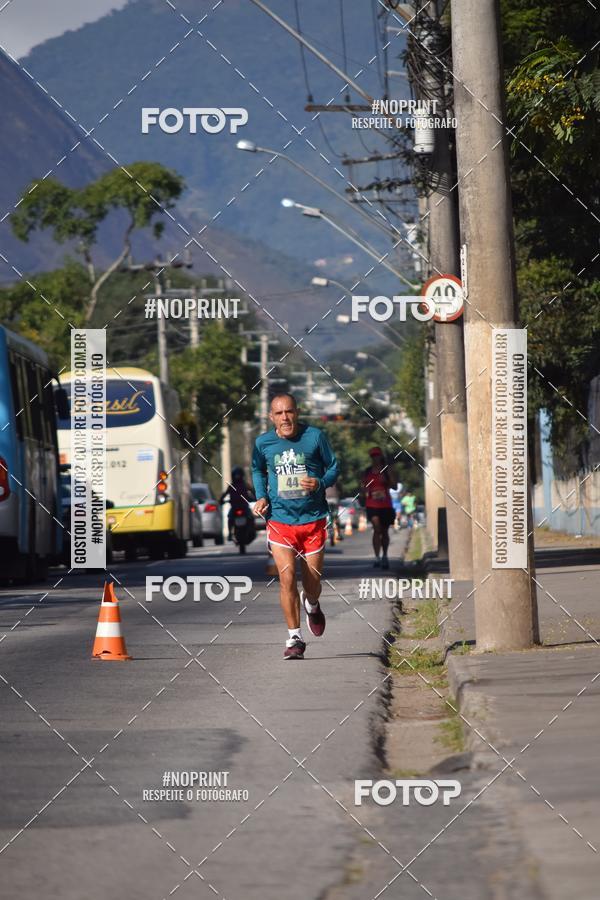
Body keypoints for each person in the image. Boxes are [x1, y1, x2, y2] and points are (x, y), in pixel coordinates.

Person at [252, 394, 339, 660]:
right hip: (280, 521)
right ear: (271, 417)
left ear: (297, 412)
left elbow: (333, 466)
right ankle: (294, 637)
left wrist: (320, 483)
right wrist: (261, 495)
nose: (285, 418)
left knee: (312, 582)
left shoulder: (315, 437)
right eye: (279, 413)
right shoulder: (263, 443)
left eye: (289, 412)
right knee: (287, 578)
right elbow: (258, 470)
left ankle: (312, 604)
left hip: (312, 520)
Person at [359, 447, 395, 569]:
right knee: (376, 528)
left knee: (384, 531)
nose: (375, 458)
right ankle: (377, 557)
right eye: (373, 456)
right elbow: (362, 486)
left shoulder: (386, 470)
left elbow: (394, 486)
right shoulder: (367, 471)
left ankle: (384, 556)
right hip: (371, 504)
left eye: (377, 455)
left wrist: (387, 482)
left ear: (381, 456)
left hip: (385, 505)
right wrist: (363, 491)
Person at [220, 466, 255, 541]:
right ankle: (230, 533)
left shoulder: (243, 485)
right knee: (230, 517)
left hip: (243, 507)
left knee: (250, 518)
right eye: (236, 475)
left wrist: (221, 500)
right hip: (237, 508)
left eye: (238, 475)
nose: (237, 477)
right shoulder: (234, 486)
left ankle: (250, 531)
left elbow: (253, 492)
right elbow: (224, 495)